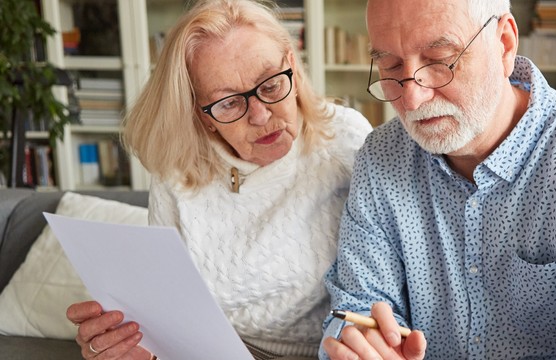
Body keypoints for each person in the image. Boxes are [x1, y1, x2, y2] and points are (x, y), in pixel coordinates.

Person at [320, 0, 556, 359]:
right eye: (390, 65)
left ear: (504, 43)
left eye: (441, 60)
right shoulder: (381, 158)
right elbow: (355, 308)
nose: (412, 98)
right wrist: (364, 345)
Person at [64, 0, 372, 359]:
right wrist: (134, 345)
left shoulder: (345, 139)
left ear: (292, 66)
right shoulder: (177, 170)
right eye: (228, 103)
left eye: (271, 85)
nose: (259, 115)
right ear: (202, 114)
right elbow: (169, 312)